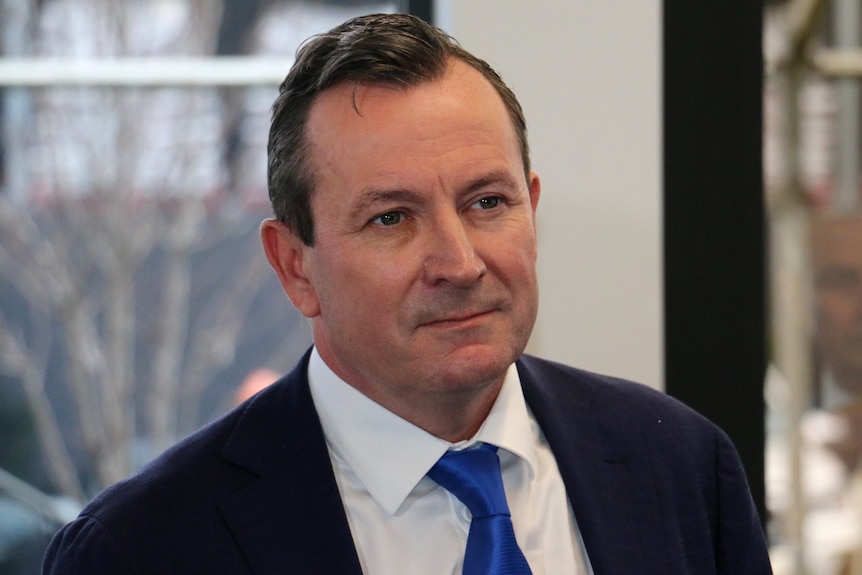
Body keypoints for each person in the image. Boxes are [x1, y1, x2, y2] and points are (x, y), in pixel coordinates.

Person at [42, 13, 772, 574]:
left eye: (488, 202)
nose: (458, 262)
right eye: (391, 217)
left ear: (533, 210)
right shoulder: (141, 549)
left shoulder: (680, 466)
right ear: (295, 265)